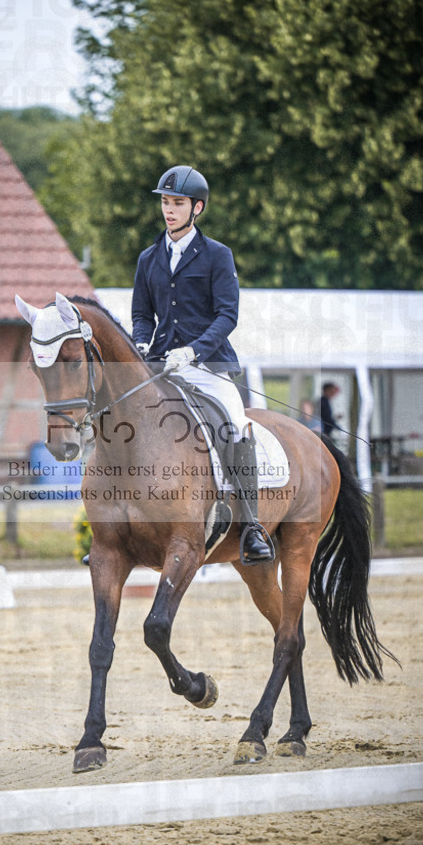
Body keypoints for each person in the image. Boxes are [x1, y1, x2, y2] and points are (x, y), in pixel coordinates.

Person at [131, 164, 274, 563]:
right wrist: (141, 341)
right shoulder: (148, 258)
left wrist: (193, 350)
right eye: (165, 202)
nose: (169, 210)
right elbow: (142, 313)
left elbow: (228, 315)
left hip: (208, 365)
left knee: (236, 424)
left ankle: (251, 527)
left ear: (197, 208)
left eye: (177, 203)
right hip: (161, 364)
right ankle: (117, 527)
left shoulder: (217, 255)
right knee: (122, 418)